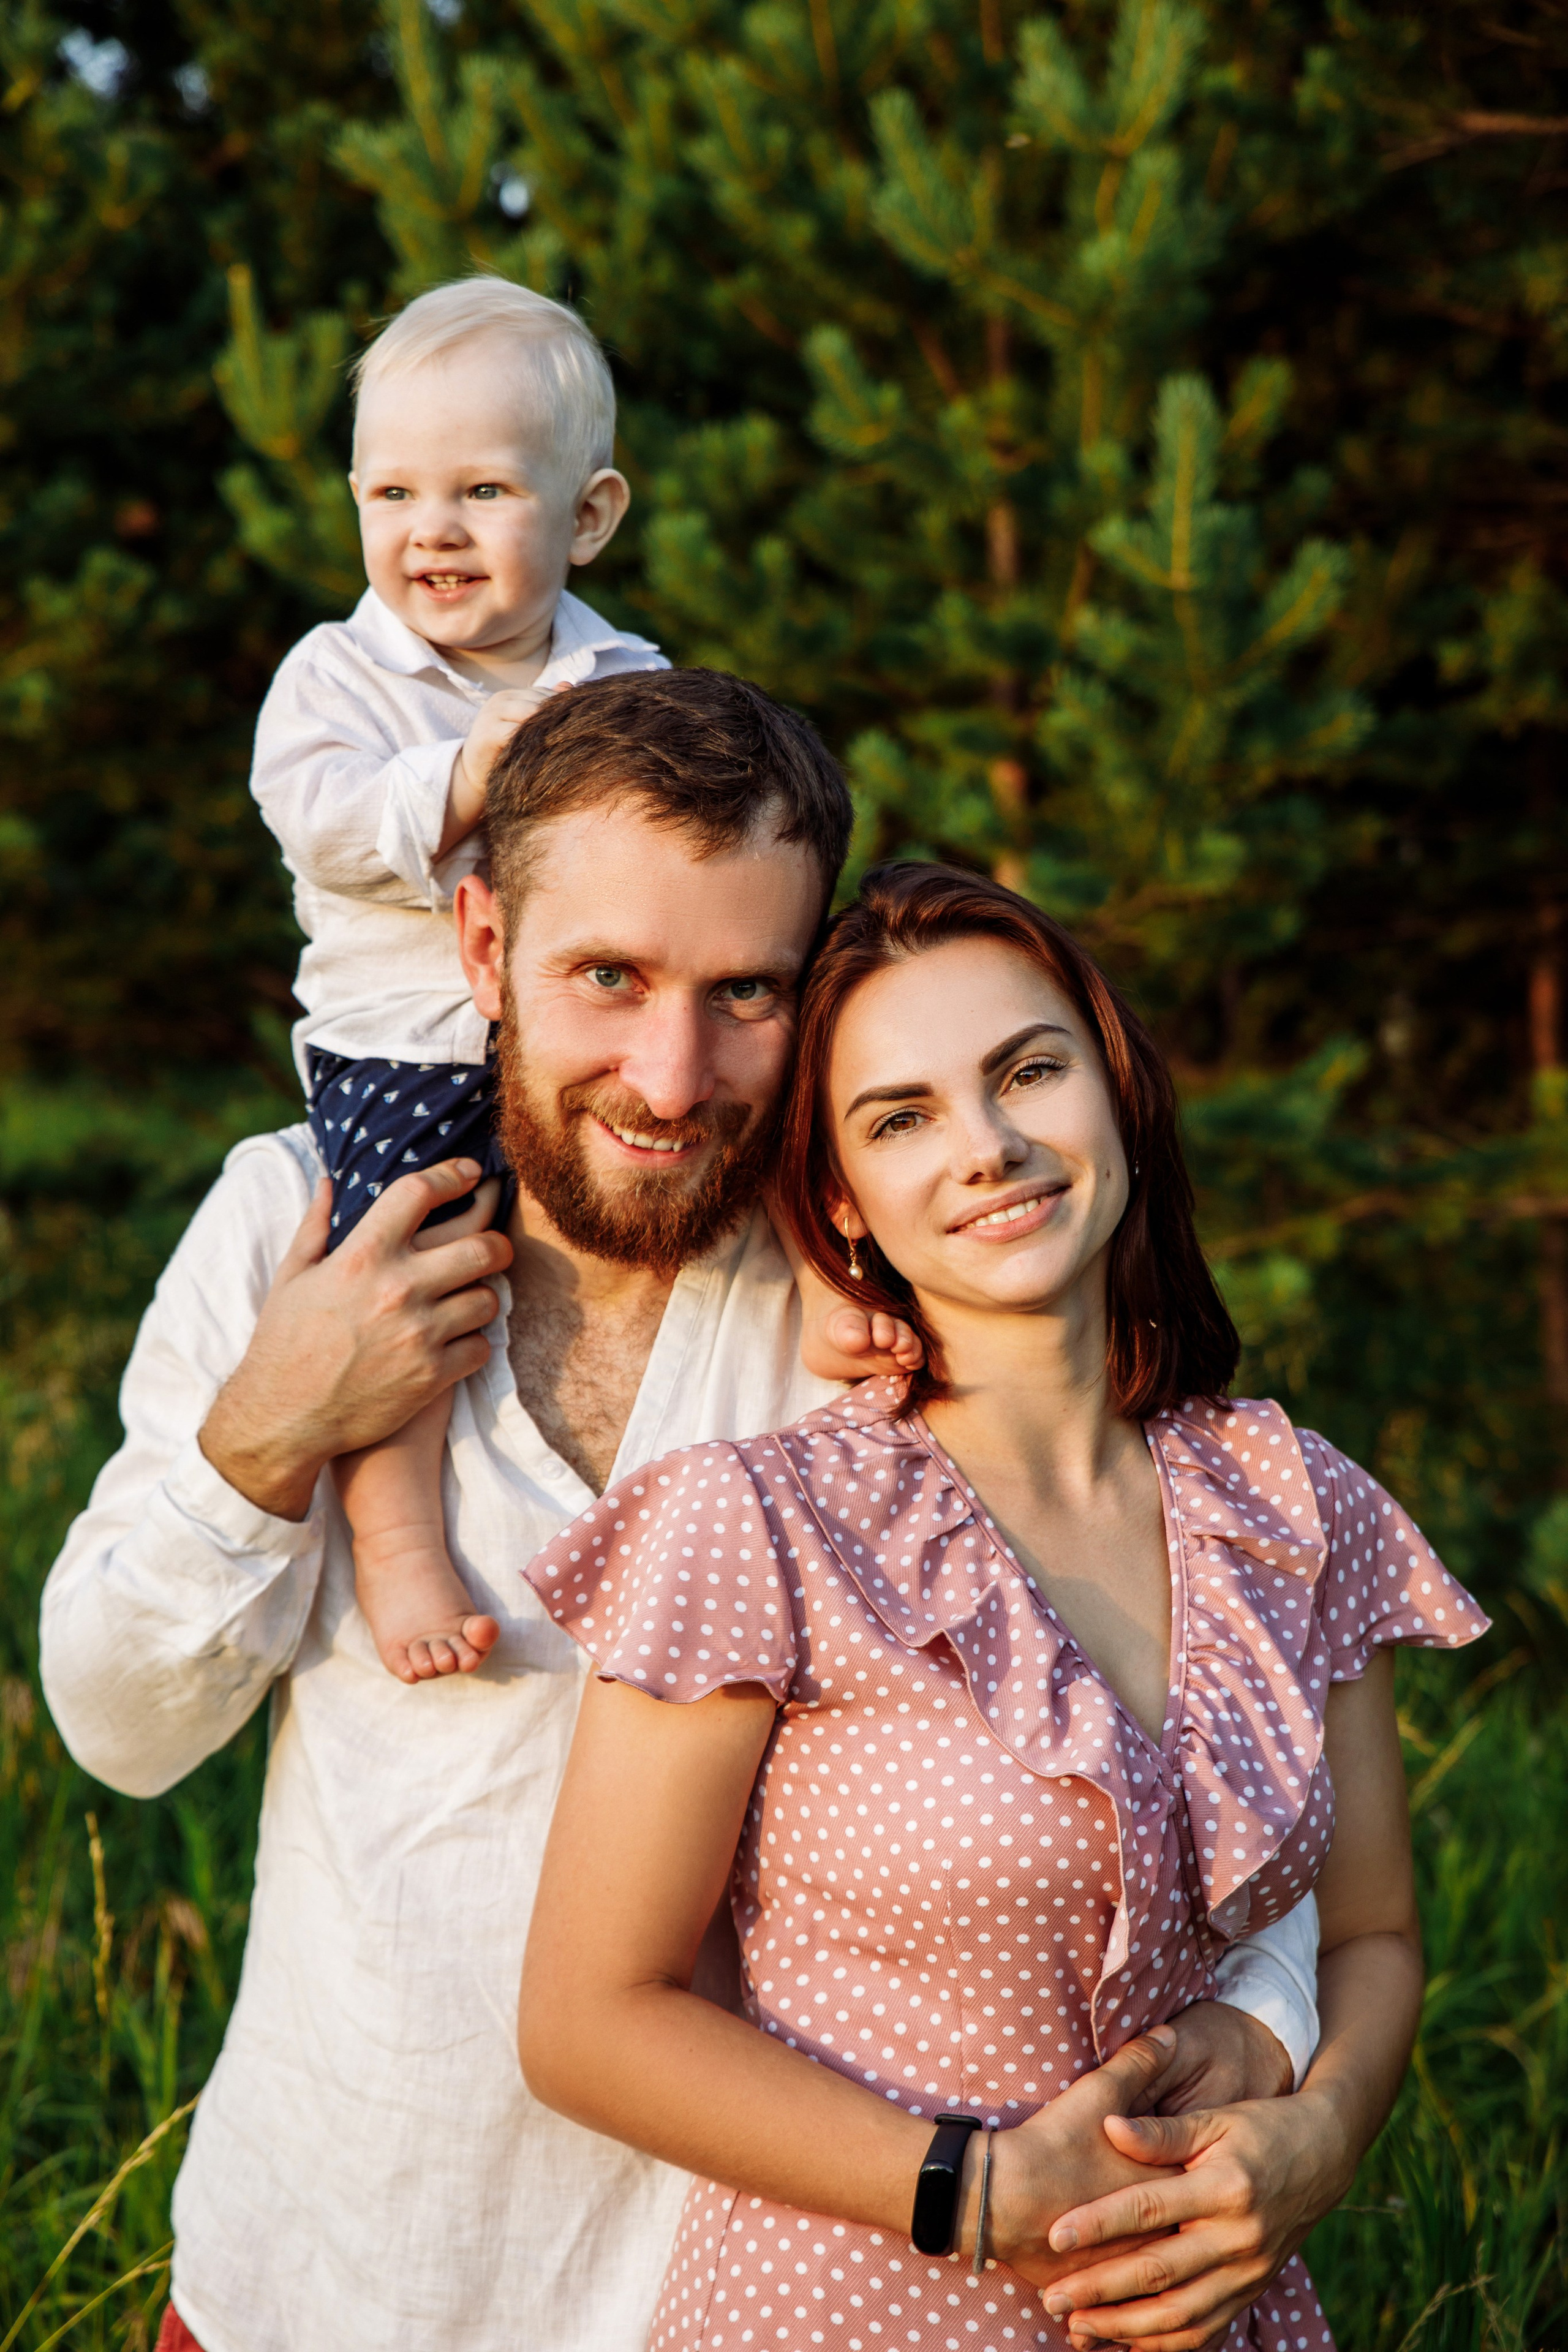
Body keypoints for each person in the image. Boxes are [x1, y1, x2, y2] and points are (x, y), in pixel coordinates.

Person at [43, 676, 1321, 2352]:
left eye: (746, 995)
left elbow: (1198, 1731)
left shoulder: (882, 1293)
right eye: (608, 979)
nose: (670, 1074)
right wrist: (276, 1423)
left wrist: (1291, 2065)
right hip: (332, 2268)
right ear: (485, 945)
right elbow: (114, 1730)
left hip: (760, 2289)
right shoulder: (299, 1225)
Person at [519, 859, 1488, 2351]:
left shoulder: (1296, 1502)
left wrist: (1322, 2136)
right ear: (840, 1203)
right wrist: (965, 2191)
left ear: (1113, 1093)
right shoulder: (758, 1520)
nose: (984, 1147)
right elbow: (589, 2021)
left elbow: (1368, 1933)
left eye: (1026, 1071)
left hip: (1215, 2315)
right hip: (850, 2313)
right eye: (899, 1116)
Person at [251, 271, 667, 1684]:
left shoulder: (619, 674)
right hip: (410, 1045)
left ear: (587, 516)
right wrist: (460, 776)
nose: (431, 530)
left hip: (582, 1038)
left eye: (483, 490)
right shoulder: (336, 681)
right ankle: (396, 1533)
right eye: (392, 495)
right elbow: (320, 820)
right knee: (411, 1276)